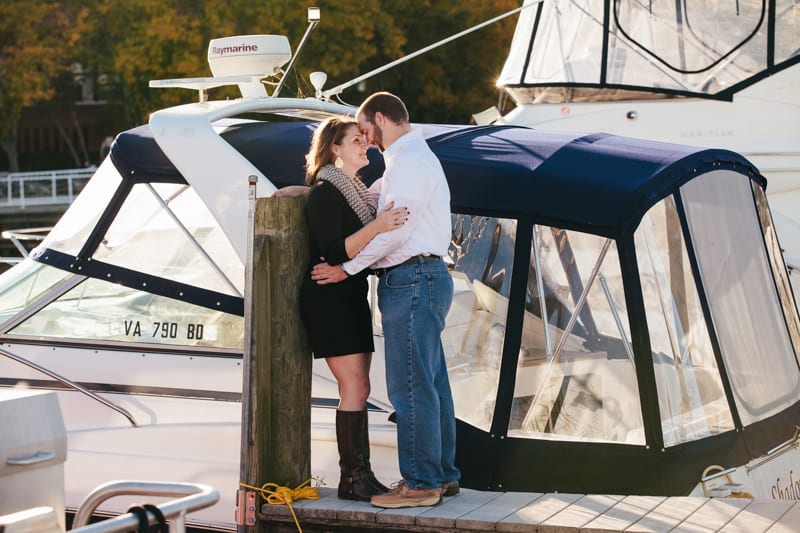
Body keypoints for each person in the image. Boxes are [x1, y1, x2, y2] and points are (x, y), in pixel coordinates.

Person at [311, 92, 460, 508]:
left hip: (413, 279)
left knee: (410, 387)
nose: (367, 139)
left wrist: (347, 269)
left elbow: (395, 233)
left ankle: (421, 484)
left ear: (380, 118)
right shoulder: (407, 161)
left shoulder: (409, 163)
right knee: (432, 384)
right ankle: (442, 476)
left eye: (366, 131)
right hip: (421, 278)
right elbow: (371, 202)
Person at [298, 116, 409, 501]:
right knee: (355, 386)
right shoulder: (327, 192)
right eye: (357, 141)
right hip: (329, 299)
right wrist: (379, 227)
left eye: (365, 140)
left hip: (348, 297)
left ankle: (360, 475)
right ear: (335, 149)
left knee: (360, 387)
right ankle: (352, 478)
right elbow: (333, 250)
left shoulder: (351, 191)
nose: (366, 145)